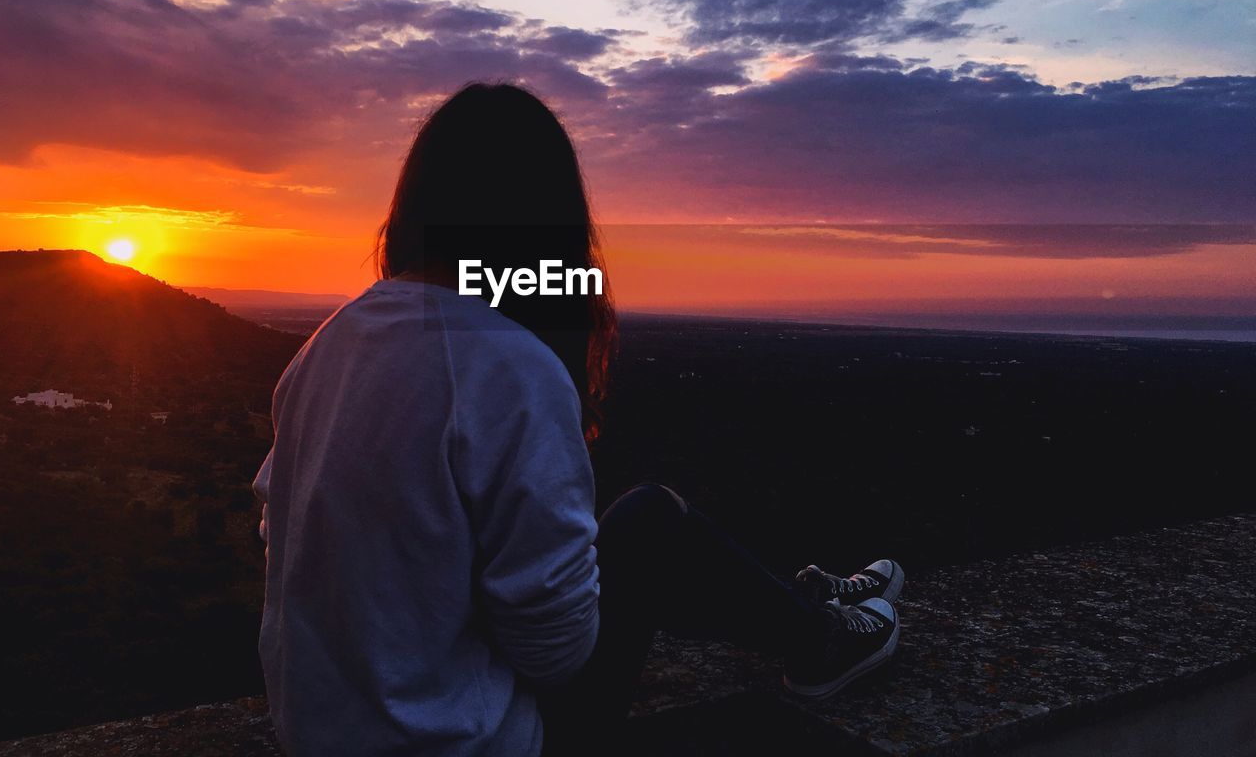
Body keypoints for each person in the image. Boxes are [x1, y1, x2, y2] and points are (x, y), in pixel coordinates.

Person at [253, 83, 903, 757]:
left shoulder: (328, 343)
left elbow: (282, 529)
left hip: (322, 736)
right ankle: (821, 638)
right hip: (457, 744)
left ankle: (804, 611)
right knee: (649, 525)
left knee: (630, 539)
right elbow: (557, 655)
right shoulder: (508, 365)